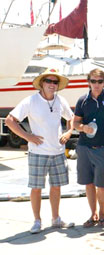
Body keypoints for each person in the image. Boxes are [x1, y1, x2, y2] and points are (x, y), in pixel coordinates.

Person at [6, 68, 75, 233]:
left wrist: (69, 132)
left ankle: (56, 219)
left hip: (58, 152)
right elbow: (10, 120)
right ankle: (37, 221)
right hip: (38, 152)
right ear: (42, 83)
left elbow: (71, 117)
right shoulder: (30, 101)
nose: (52, 84)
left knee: (56, 187)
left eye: (55, 82)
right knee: (36, 188)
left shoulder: (60, 100)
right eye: (49, 81)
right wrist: (27, 136)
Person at [74, 68, 104, 228]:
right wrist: (82, 128)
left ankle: (102, 215)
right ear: (88, 82)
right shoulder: (82, 101)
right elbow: (75, 123)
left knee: (101, 185)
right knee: (88, 184)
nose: (96, 84)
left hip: (103, 148)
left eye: (100, 81)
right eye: (93, 81)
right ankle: (92, 214)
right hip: (84, 147)